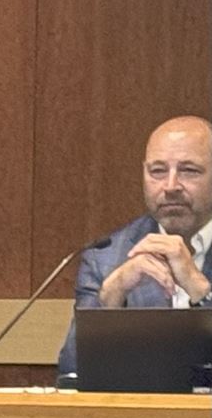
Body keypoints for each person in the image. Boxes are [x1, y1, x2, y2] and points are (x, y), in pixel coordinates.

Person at [57, 115, 212, 379]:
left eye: (189, 171)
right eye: (158, 171)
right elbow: (73, 373)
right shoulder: (106, 257)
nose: (171, 186)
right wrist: (110, 300)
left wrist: (200, 289)